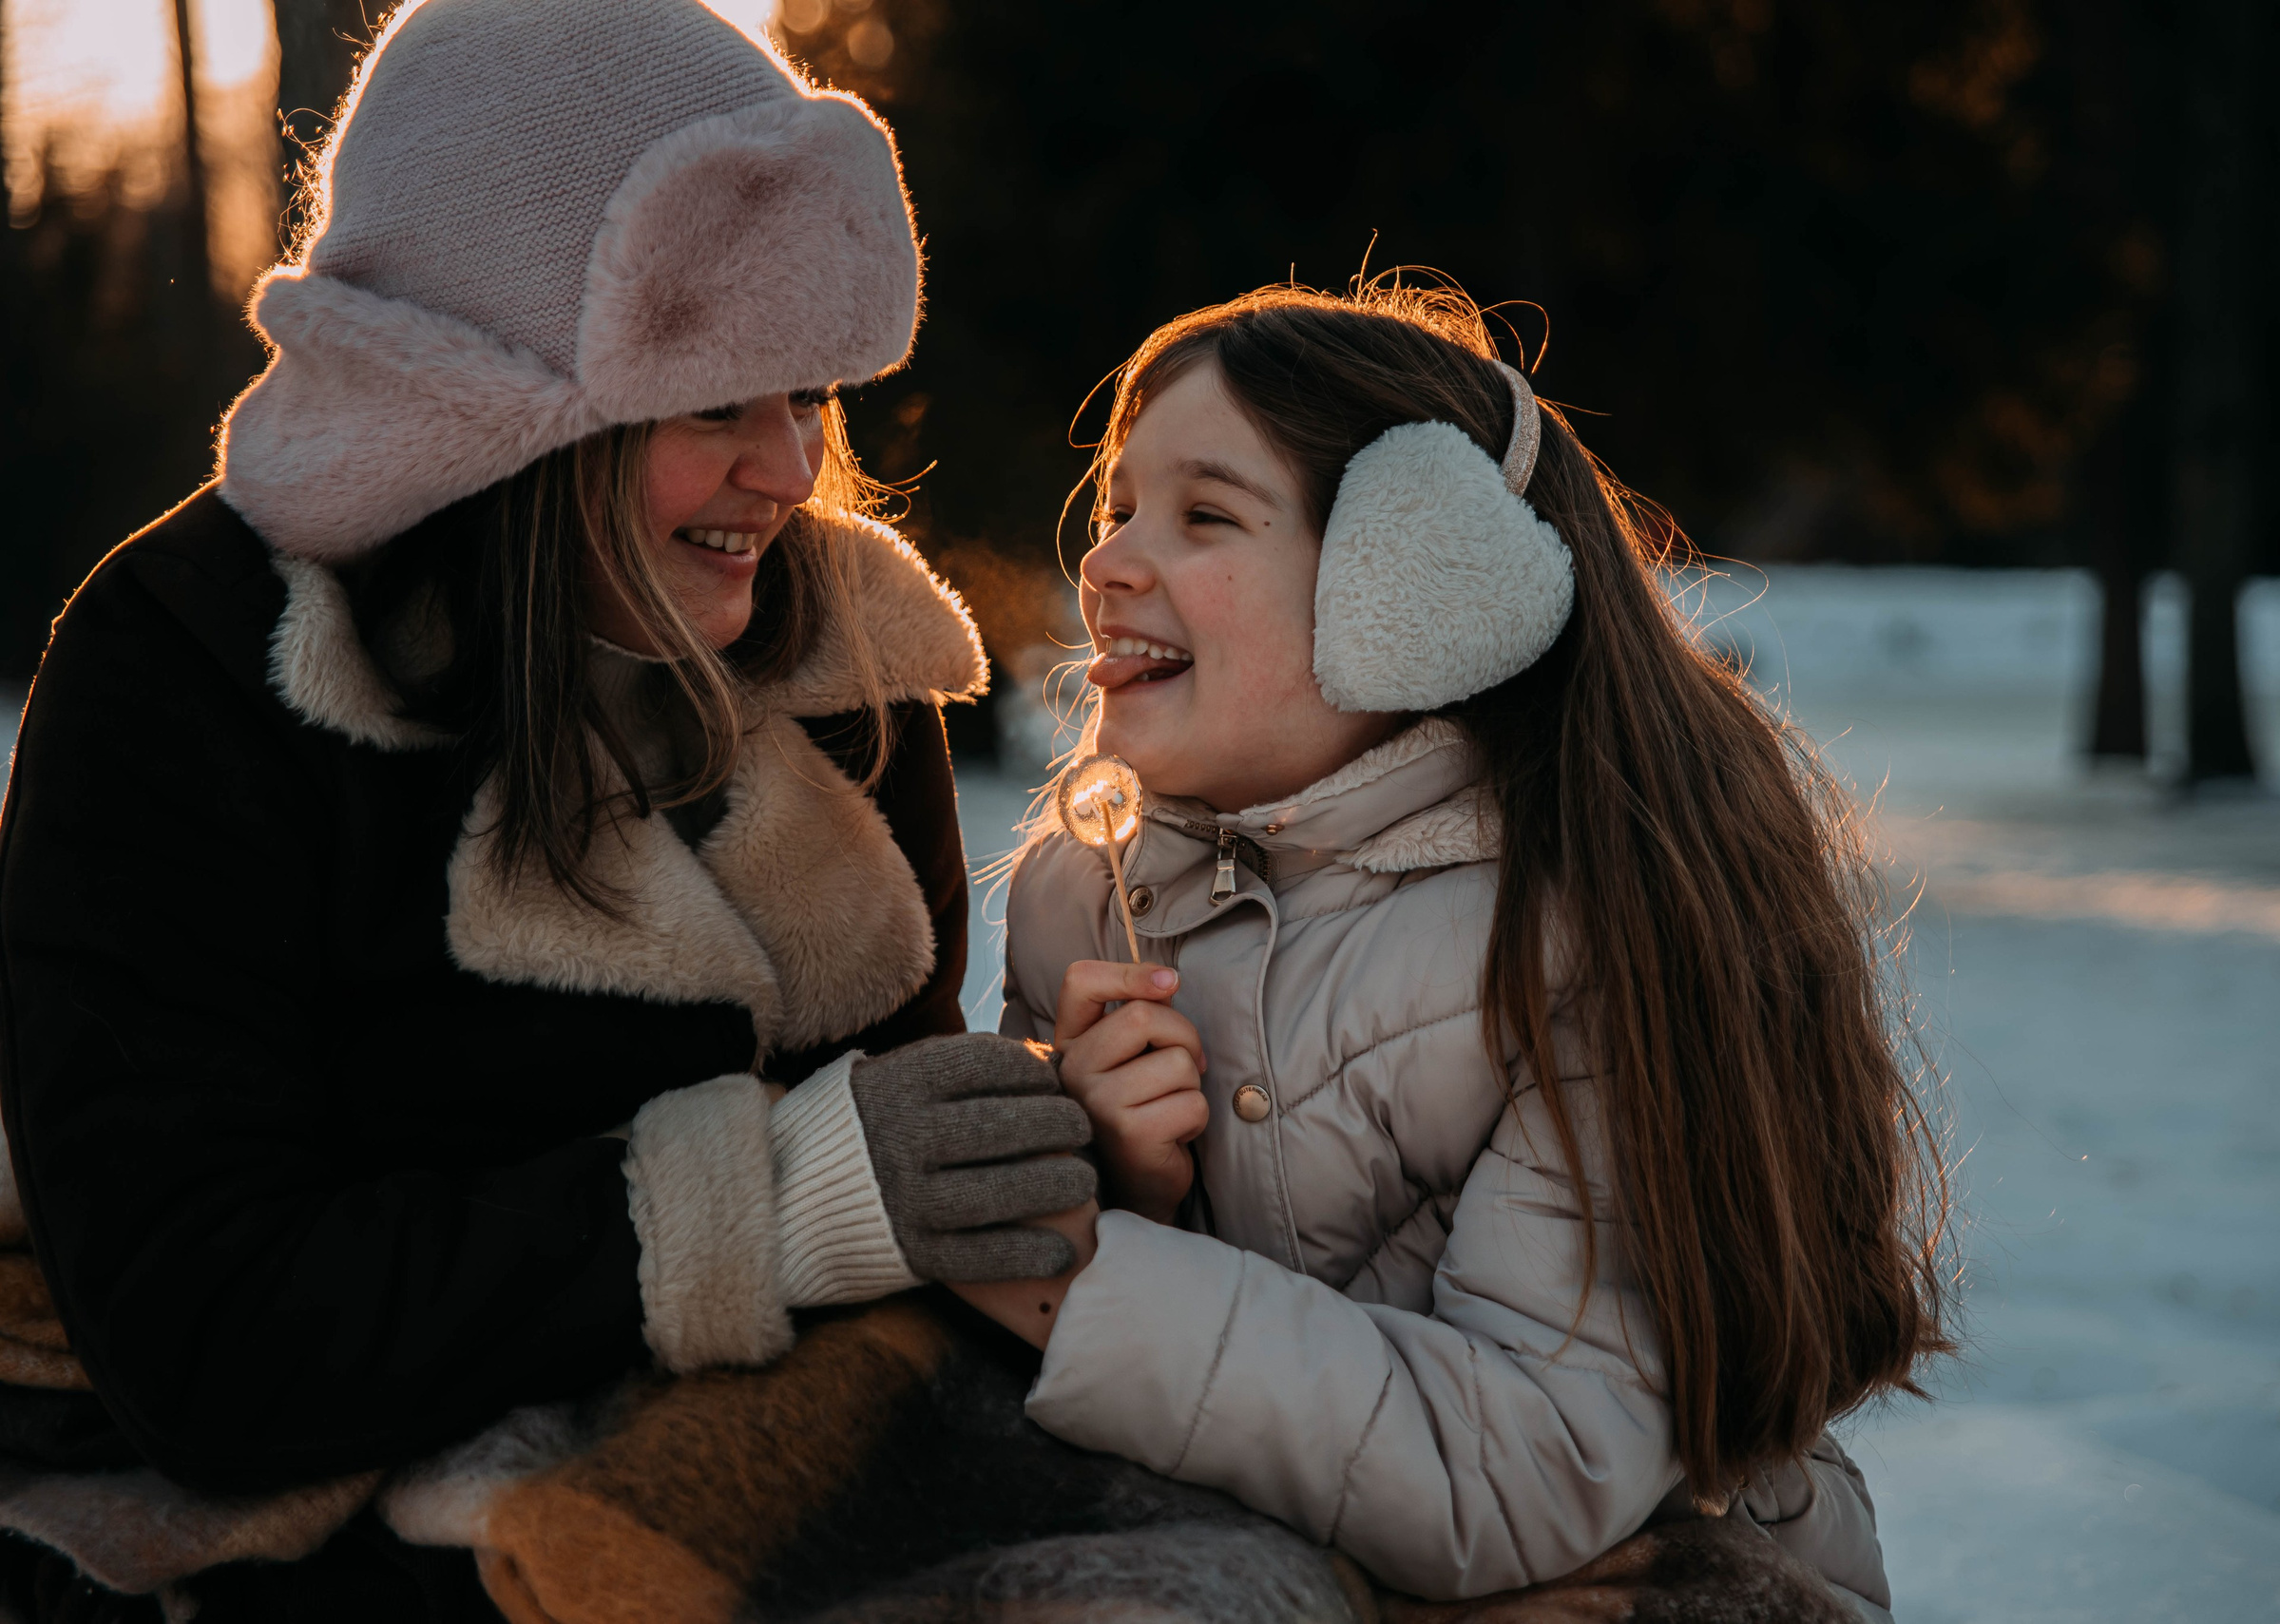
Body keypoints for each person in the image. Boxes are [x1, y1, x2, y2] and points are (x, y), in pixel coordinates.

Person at [0, 1, 1091, 1615]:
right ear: (501, 415)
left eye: (810, 398)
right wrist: (768, 1207)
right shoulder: (190, 676)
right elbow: (208, 1335)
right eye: (720, 404)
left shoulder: (839, 671)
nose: (792, 471)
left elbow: (901, 1160)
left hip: (746, 1506)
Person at [982, 281, 1952, 1614]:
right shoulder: (1079, 907)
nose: (1106, 564)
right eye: (1117, 512)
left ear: (1421, 592)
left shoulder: (1582, 935)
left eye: (1204, 515)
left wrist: (1078, 1271)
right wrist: (1110, 1173)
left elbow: (1526, 1465)